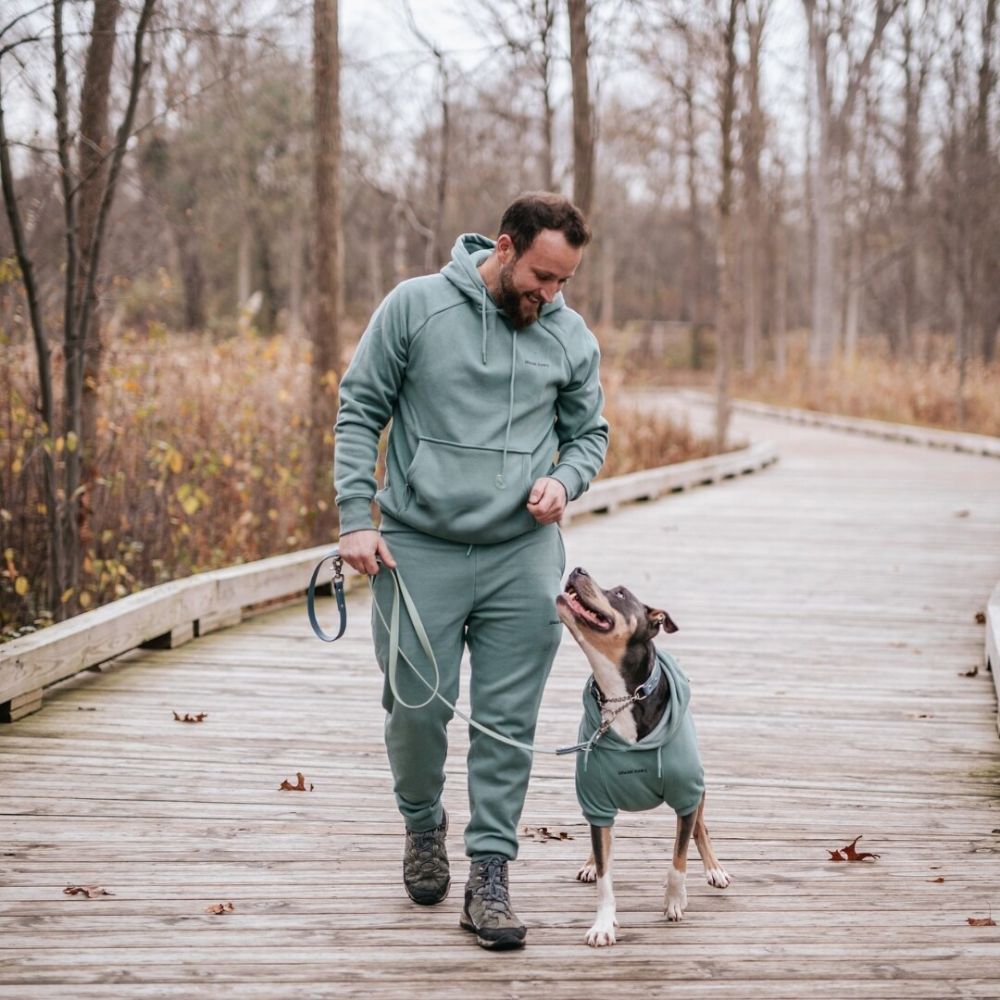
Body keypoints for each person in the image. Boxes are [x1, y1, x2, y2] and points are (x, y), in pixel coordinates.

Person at [333, 191, 608, 949]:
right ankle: (423, 824)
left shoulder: (568, 335)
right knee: (416, 710)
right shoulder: (416, 308)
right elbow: (360, 408)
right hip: (417, 547)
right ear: (506, 245)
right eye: (542, 276)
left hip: (521, 553)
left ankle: (490, 871)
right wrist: (357, 518)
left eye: (563, 283)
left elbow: (591, 434)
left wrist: (567, 480)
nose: (550, 295)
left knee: (507, 723)